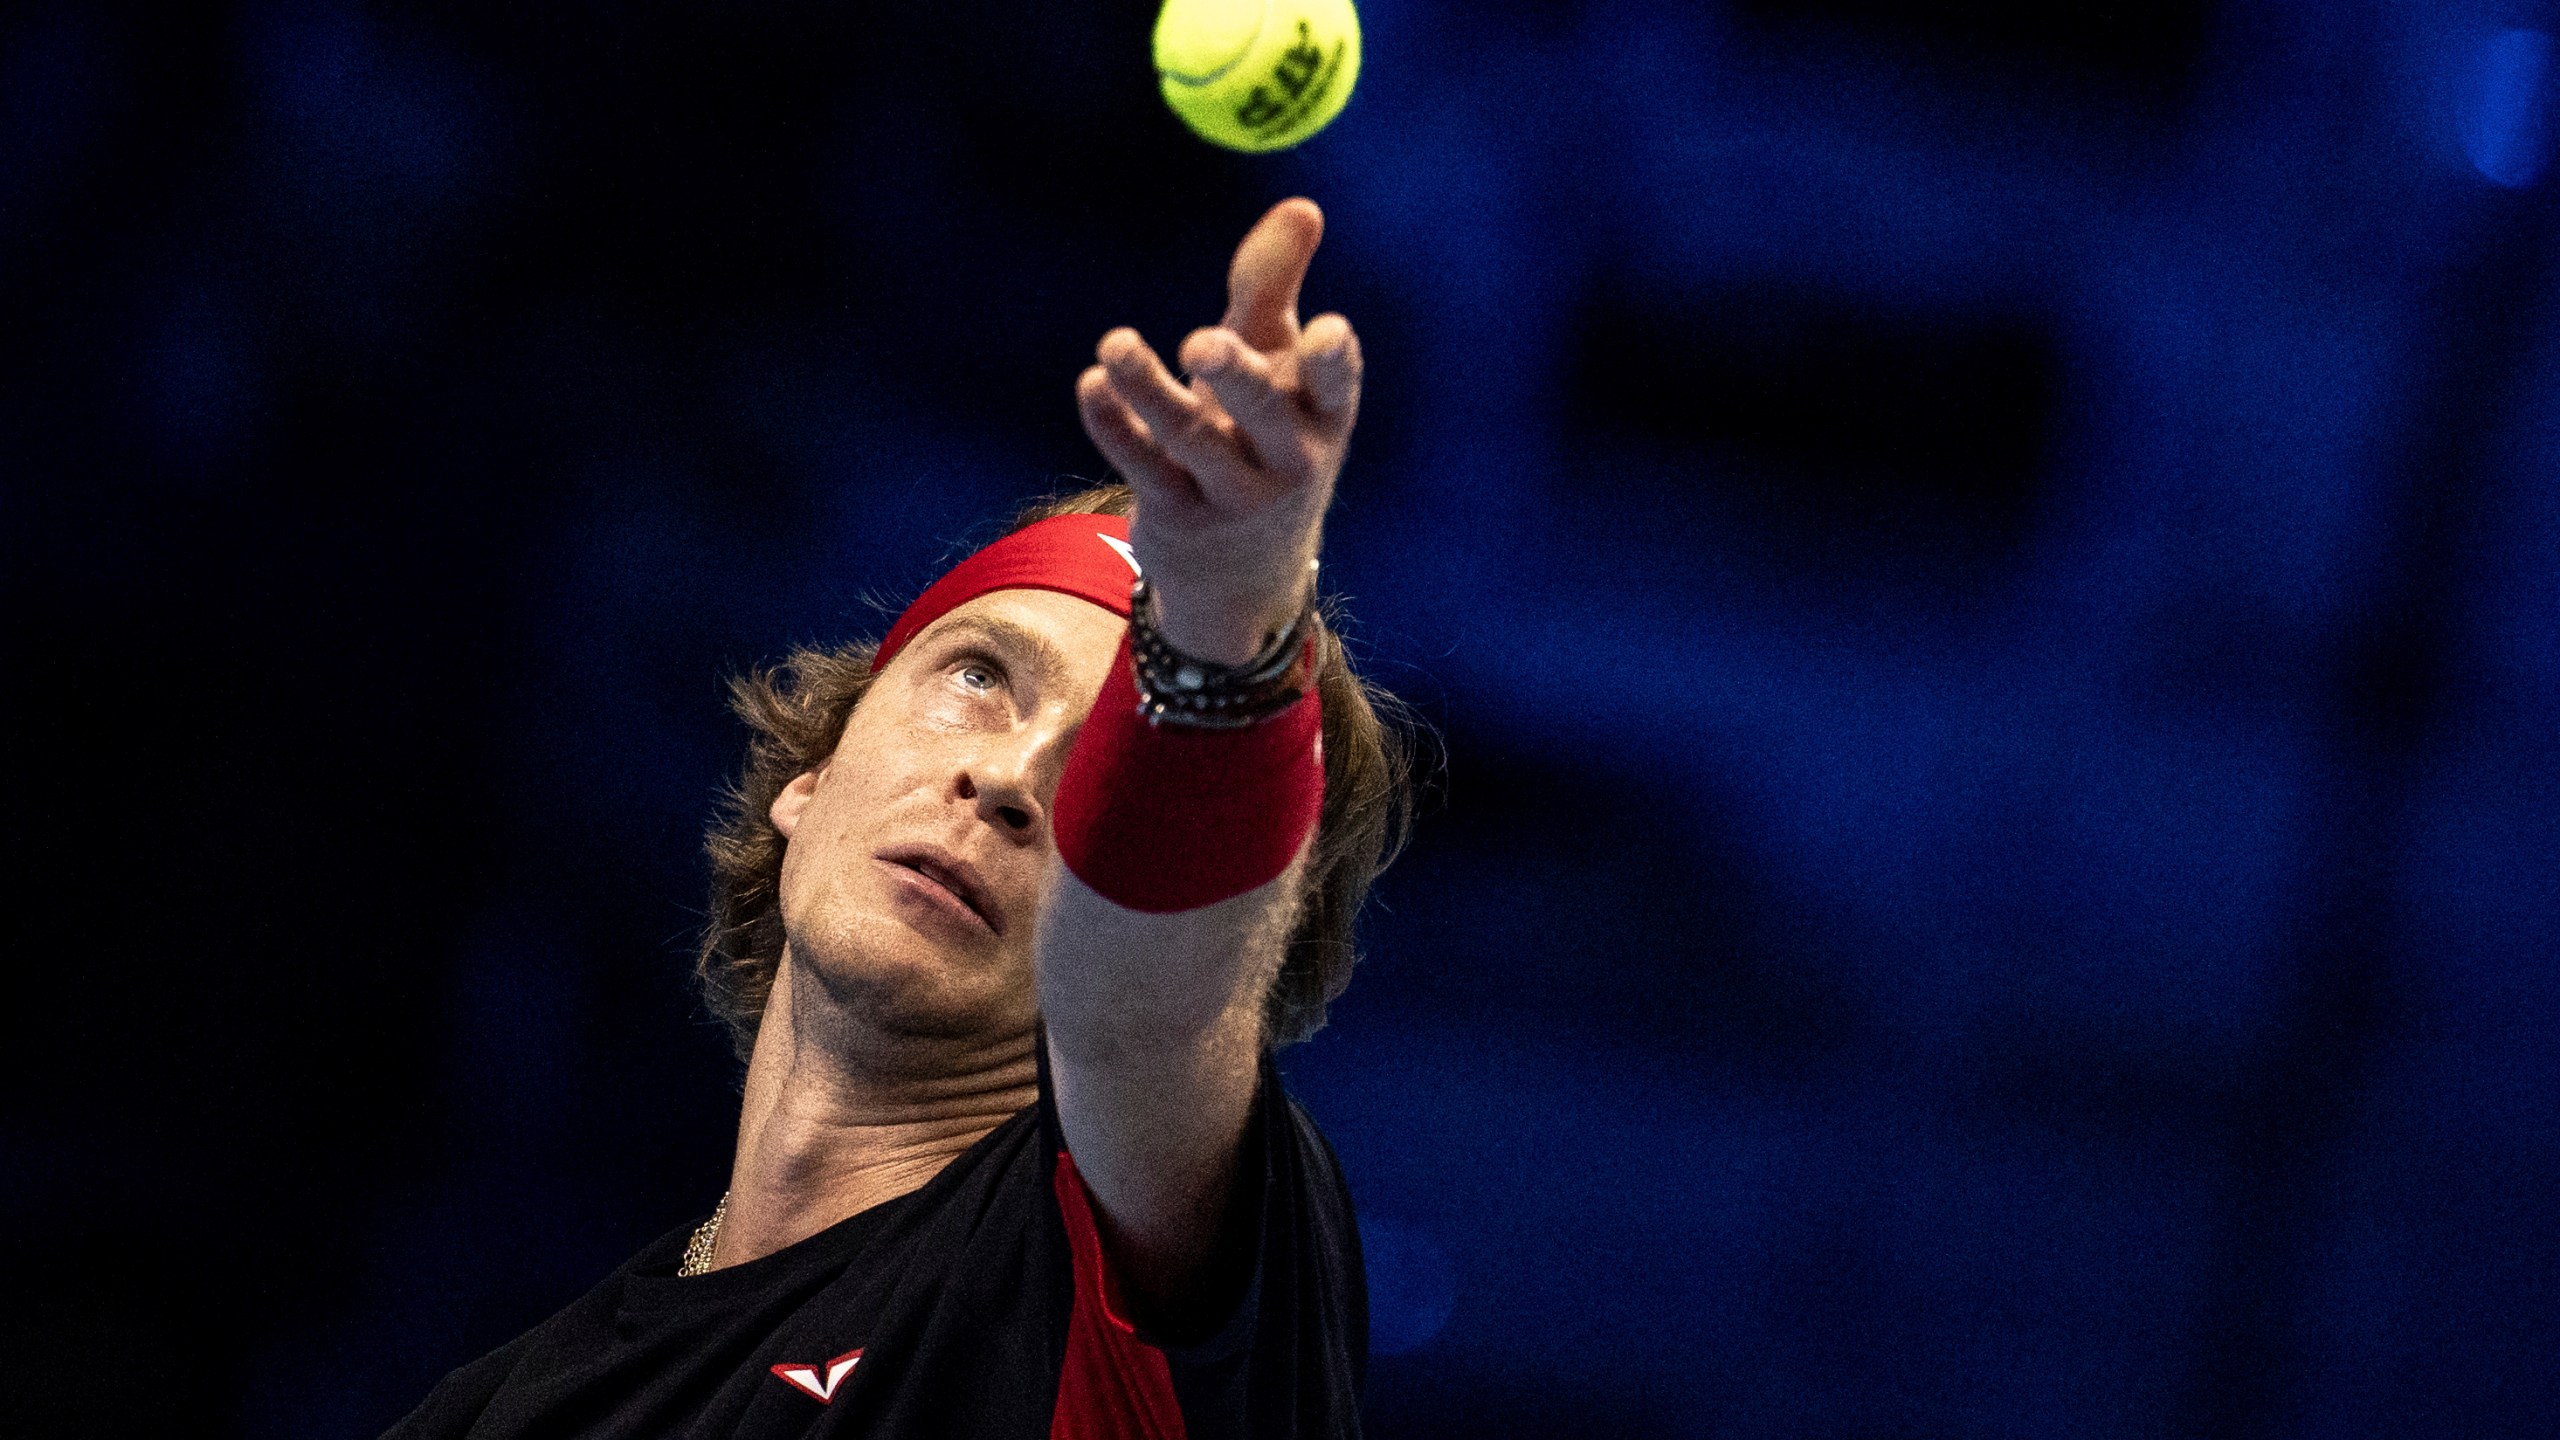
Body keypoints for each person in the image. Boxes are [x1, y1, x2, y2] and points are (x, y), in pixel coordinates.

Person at [386, 197, 1413, 1439]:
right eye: (980, 676)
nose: (1013, 781)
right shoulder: (490, 1407)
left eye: (1110, 771)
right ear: (809, 775)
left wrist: (1230, 624)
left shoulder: (1121, 1273)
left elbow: (1148, 1005)